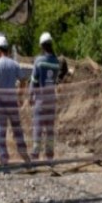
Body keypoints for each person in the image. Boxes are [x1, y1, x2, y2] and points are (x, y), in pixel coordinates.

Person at [0, 36, 30, 165]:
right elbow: (23, 80)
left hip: (0, 104)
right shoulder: (14, 64)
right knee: (17, 130)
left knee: (1, 132)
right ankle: (25, 157)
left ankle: (4, 162)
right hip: (12, 103)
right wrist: (20, 96)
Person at [29, 32, 66, 160]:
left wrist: (30, 96)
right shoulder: (56, 62)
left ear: (42, 46)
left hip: (40, 99)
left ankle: (35, 155)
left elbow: (34, 81)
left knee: (38, 127)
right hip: (51, 99)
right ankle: (50, 156)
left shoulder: (39, 61)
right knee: (50, 129)